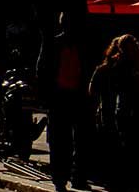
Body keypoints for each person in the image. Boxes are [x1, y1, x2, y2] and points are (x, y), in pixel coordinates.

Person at [38, 12, 94, 192]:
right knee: (61, 140)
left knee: (80, 140)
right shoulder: (54, 44)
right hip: (60, 97)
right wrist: (47, 95)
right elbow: (42, 70)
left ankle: (77, 177)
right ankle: (61, 179)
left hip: (79, 96)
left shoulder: (83, 45)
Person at [90, 34, 139, 191]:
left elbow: (93, 89)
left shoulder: (111, 67)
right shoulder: (122, 67)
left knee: (117, 148)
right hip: (122, 113)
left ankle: (116, 179)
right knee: (123, 148)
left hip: (120, 112)